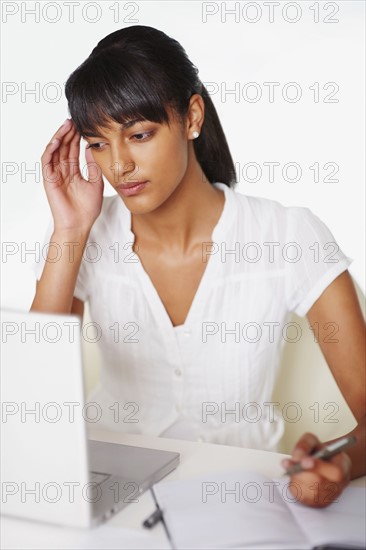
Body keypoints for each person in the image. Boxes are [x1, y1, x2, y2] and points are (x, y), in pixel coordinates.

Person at [30, 25, 365, 508]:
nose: (118, 165)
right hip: (106, 500)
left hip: (242, 503)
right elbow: (32, 405)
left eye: (139, 134)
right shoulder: (82, 235)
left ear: (191, 117)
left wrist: (342, 463)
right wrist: (69, 232)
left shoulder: (288, 236)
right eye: (98, 144)